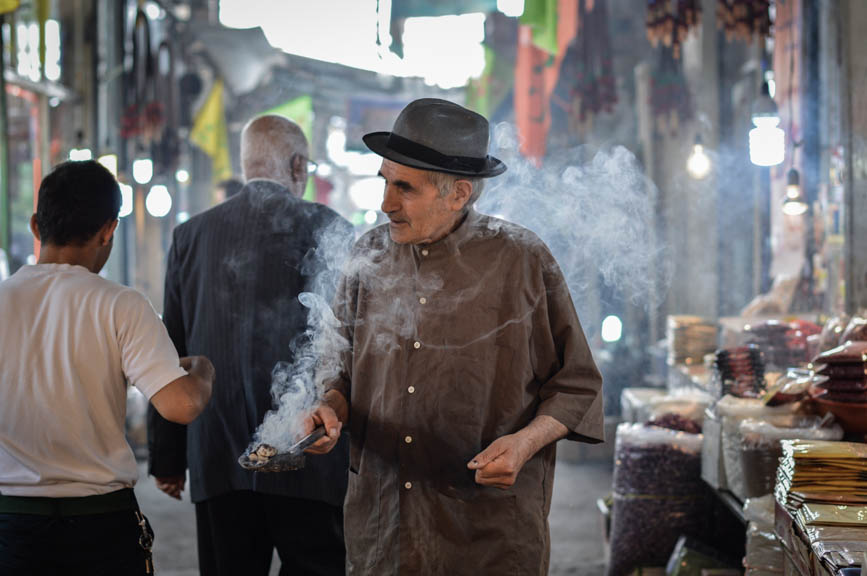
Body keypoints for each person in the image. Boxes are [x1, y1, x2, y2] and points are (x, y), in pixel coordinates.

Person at [304, 98, 605, 575]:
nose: (386, 203)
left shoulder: (522, 260)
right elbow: (337, 368)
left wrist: (526, 442)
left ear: (459, 193)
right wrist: (329, 408)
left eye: (405, 188)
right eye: (385, 181)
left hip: (484, 533)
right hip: (383, 528)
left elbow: (577, 385)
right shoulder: (368, 255)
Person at [148, 114, 354, 576]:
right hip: (309, 453)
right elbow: (352, 343)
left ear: (246, 166)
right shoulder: (331, 228)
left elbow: (171, 349)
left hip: (218, 455)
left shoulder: (190, 235)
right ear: (298, 165)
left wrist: (168, 457)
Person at [0, 160, 214, 575]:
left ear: (35, 226)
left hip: (11, 525)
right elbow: (182, 405)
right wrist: (203, 370)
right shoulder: (121, 304)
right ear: (108, 231)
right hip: (100, 526)